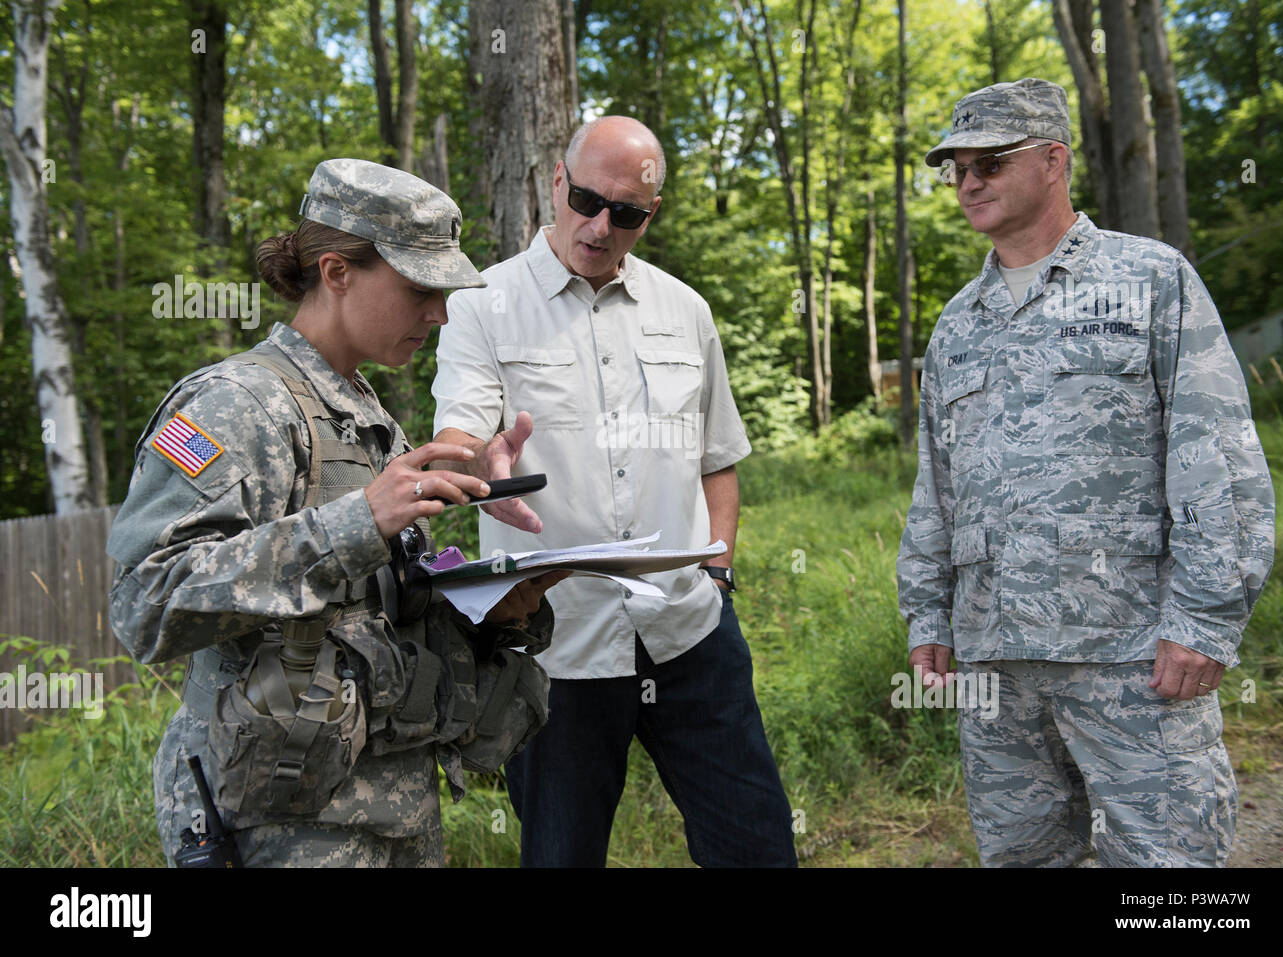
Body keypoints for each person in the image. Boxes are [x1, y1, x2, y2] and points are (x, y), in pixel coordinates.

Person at [107, 158, 565, 867]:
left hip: (390, 814)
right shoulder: (237, 405)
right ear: (336, 270)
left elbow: (365, 616)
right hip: (280, 833)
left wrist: (497, 606)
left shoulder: (368, 417)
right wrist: (358, 524)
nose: (439, 314)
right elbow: (145, 600)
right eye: (420, 289)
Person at [896, 78, 1275, 867]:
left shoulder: (1150, 281)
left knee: (1168, 871)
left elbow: (1218, 455)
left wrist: (1205, 618)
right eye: (955, 168)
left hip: (1133, 653)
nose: (968, 183)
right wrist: (927, 614)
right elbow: (935, 484)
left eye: (989, 163)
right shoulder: (959, 324)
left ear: (1053, 160)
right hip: (996, 664)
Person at [431, 116, 798, 867]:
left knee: (757, 846)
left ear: (649, 215)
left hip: (690, 632)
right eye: (587, 200)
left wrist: (718, 574)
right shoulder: (480, 302)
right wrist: (479, 463)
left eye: (625, 213)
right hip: (557, 647)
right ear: (556, 182)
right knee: (561, 855)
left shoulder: (685, 311)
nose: (599, 227)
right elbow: (459, 437)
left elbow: (717, 457)